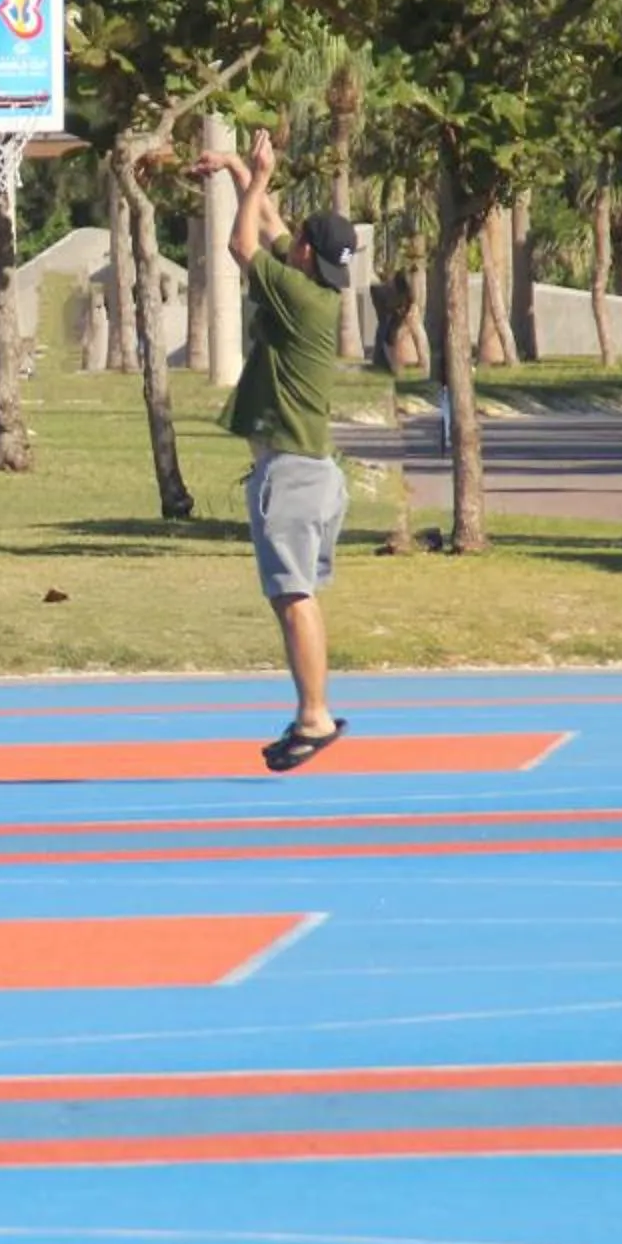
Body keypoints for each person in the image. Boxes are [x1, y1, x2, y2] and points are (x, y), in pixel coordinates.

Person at [192, 127, 361, 773]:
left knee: (293, 598)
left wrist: (259, 178)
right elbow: (269, 225)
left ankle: (315, 716)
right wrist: (240, 168)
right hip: (313, 471)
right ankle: (311, 711)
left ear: (307, 254)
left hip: (292, 472)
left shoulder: (298, 297)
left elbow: (242, 244)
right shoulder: (317, 284)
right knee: (298, 594)